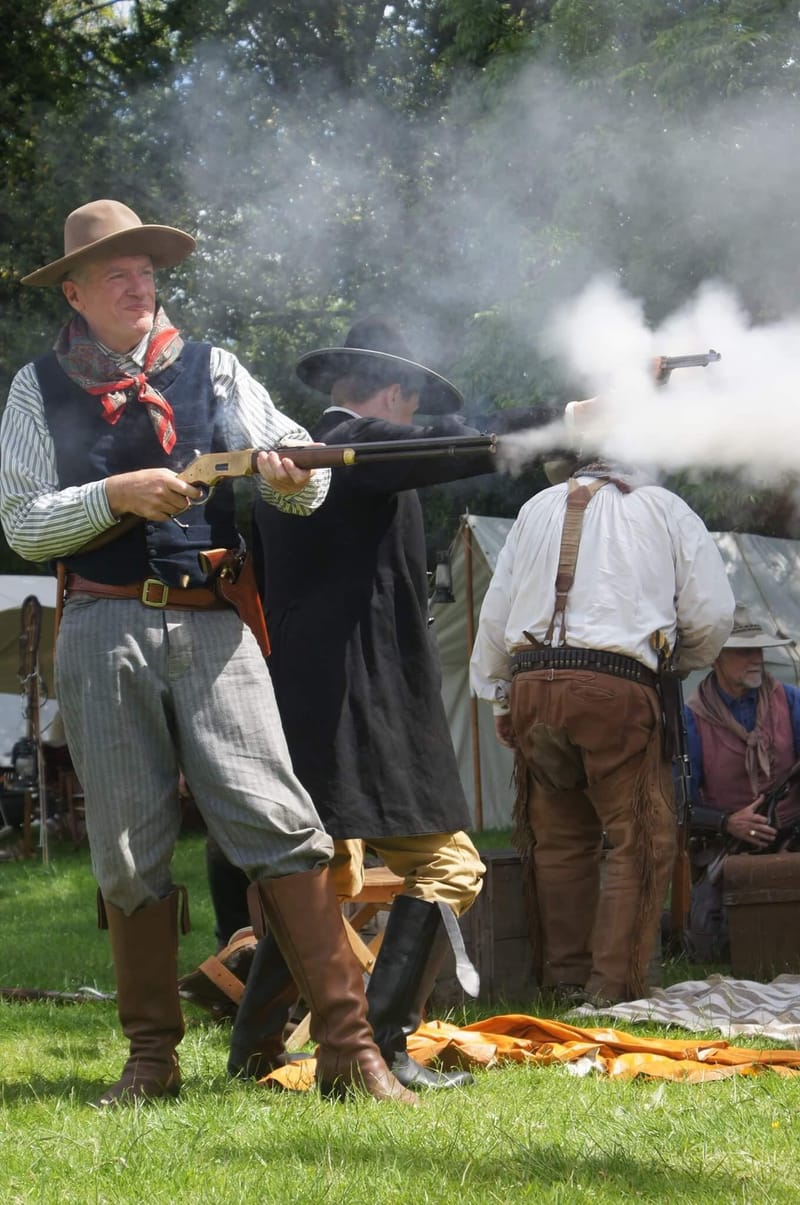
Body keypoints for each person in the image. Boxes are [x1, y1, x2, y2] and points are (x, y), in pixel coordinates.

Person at [0, 199, 416, 1108]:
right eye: (118, 270)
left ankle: (350, 1050)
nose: (140, 282)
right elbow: (25, 525)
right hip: (102, 626)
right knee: (124, 846)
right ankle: (152, 1059)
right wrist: (114, 494)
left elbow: (295, 492)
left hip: (215, 623)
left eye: (148, 267)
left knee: (279, 817)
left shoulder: (216, 369)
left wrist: (290, 478)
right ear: (75, 291)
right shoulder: (35, 388)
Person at [226, 316, 510, 1091]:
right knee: (452, 866)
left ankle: (255, 1045)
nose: (415, 426)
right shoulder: (351, 452)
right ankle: (382, 1041)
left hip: (310, 705)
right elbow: (443, 446)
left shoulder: (306, 460)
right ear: (394, 395)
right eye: (412, 411)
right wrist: (539, 425)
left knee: (322, 879)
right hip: (363, 705)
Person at [469, 454, 735, 1006]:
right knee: (642, 838)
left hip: (530, 687)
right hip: (614, 691)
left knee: (561, 840)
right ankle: (611, 991)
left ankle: (564, 982)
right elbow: (710, 614)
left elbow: (497, 617)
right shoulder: (664, 507)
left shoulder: (535, 506)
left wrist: (499, 698)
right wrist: (677, 664)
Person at [685, 603, 800, 962]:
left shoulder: (790, 699)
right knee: (707, 944)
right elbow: (680, 803)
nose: (755, 659)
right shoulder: (691, 718)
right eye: (742, 651)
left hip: (793, 834)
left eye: (758, 650)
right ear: (715, 657)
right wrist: (729, 822)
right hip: (725, 845)